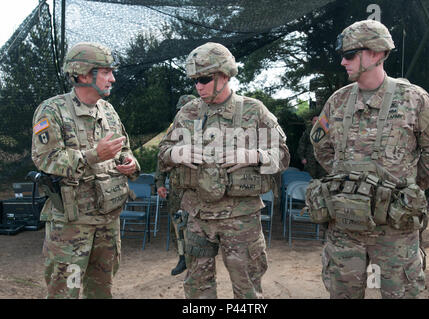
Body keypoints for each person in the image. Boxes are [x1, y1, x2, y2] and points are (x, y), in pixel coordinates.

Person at [308, 20, 429, 299]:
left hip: (395, 230)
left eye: (349, 55)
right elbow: (321, 147)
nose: (342, 62)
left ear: (375, 53)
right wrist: (350, 186)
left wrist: (404, 188)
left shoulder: (413, 99)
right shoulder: (337, 102)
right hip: (345, 227)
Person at [158, 42, 290, 298]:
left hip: (240, 219)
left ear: (225, 75)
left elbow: (282, 157)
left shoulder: (253, 111)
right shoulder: (188, 112)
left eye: (205, 79)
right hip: (197, 217)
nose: (198, 86)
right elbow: (163, 154)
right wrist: (175, 154)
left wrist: (255, 156)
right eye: (195, 80)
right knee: (197, 288)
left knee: (247, 289)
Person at [31, 42, 140, 299]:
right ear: (82, 74)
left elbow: (125, 150)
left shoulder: (109, 111)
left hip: (107, 222)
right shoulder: (52, 111)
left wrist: (131, 164)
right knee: (64, 293)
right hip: (71, 225)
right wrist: (93, 156)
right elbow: (45, 159)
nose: (113, 78)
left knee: (101, 292)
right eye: (105, 71)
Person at [155, 94, 196, 276]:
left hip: (198, 188)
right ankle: (182, 258)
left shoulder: (205, 128)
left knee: (196, 225)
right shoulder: (173, 130)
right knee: (178, 224)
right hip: (177, 187)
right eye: (181, 110)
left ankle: (196, 261)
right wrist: (159, 182)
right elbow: (161, 157)